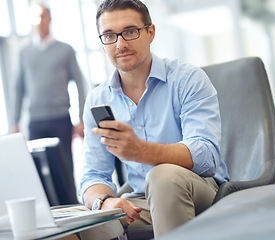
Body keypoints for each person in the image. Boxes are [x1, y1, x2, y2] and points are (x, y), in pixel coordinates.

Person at [79, 0, 229, 238]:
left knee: (164, 177)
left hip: (201, 190)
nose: (120, 44)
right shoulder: (97, 99)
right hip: (142, 201)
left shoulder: (187, 79)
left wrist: (141, 151)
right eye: (109, 36)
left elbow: (206, 155)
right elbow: (93, 176)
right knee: (74, 226)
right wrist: (104, 202)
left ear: (150, 32)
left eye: (129, 32)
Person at [11, 1, 87, 203]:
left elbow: (80, 84)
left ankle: (72, 209)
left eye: (42, 16)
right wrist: (14, 121)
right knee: (36, 173)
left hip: (60, 118)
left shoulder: (65, 50)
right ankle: (48, 213)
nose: (38, 21)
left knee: (64, 169)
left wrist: (81, 118)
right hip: (35, 121)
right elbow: (18, 89)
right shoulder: (24, 53)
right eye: (34, 17)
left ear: (49, 18)